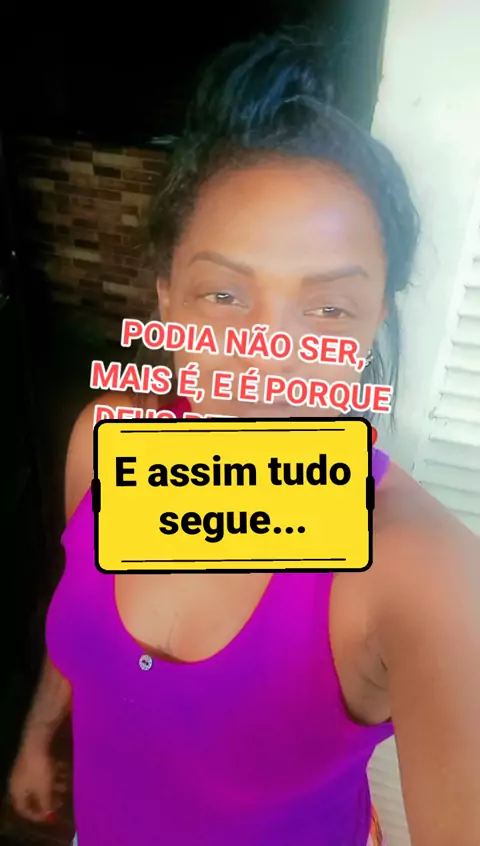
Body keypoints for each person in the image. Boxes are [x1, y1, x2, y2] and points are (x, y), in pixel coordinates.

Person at [8, 28, 480, 846]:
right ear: (166, 300)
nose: (267, 356)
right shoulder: (106, 441)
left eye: (327, 307)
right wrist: (38, 732)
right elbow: (82, 615)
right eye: (224, 296)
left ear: (374, 321)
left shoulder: (418, 569)